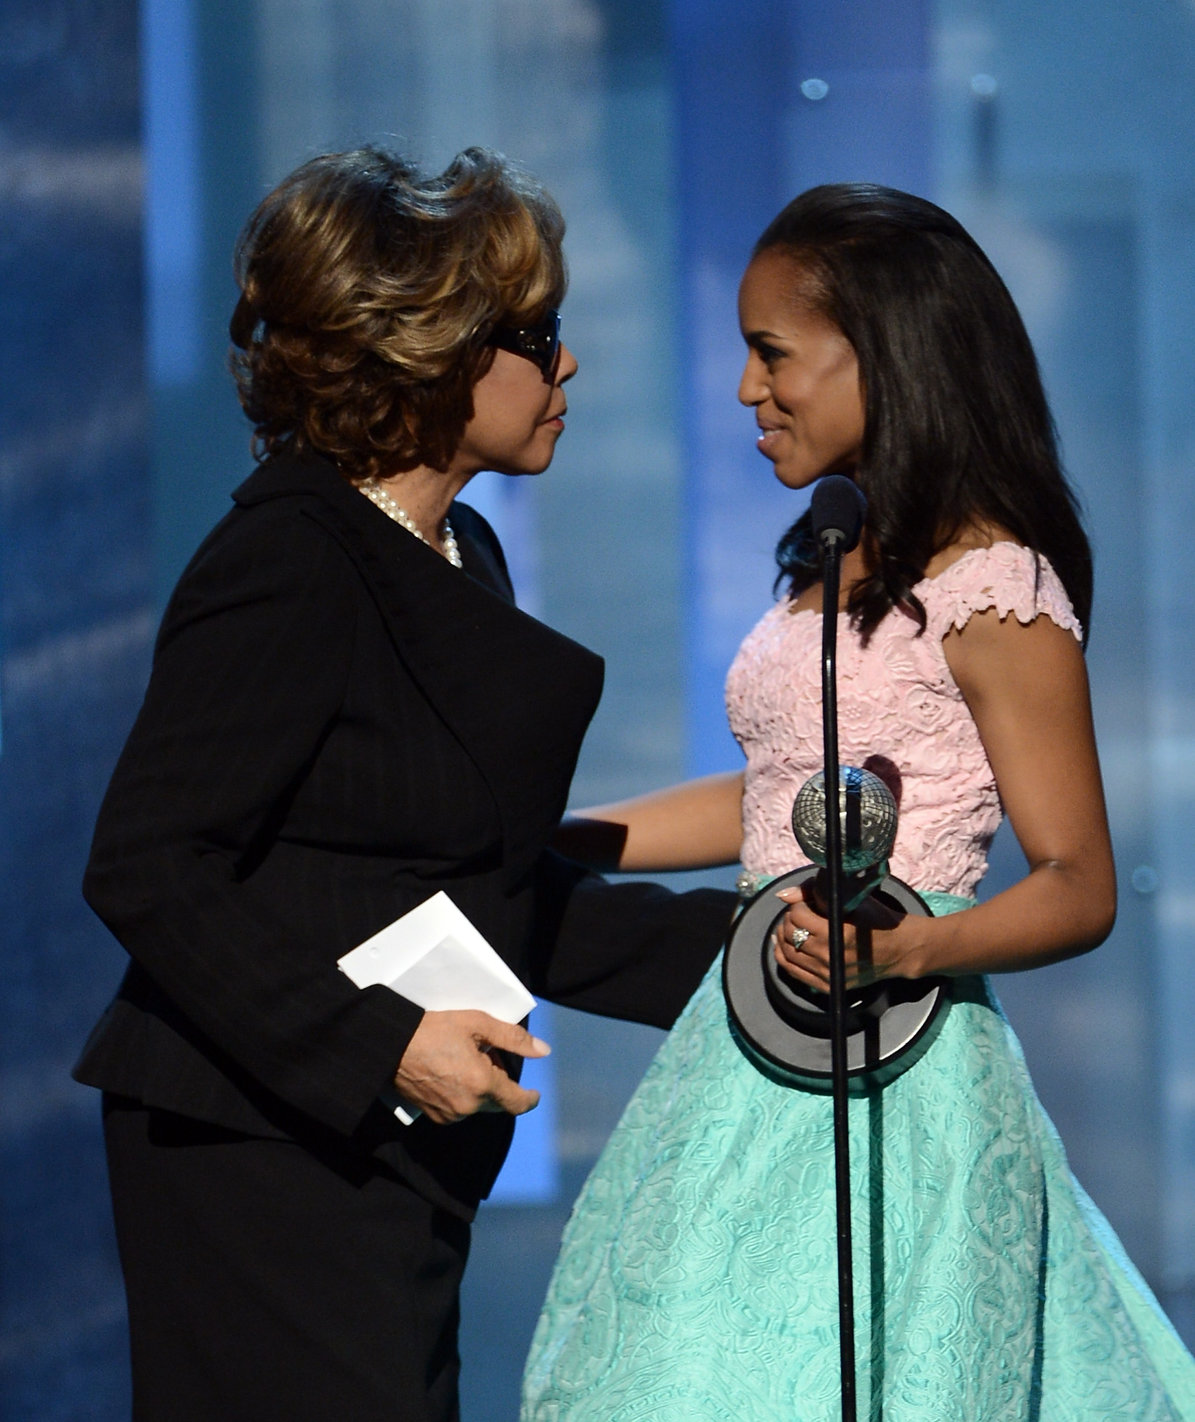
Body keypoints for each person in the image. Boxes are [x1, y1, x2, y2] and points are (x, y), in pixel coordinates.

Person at [72, 146, 733, 1422]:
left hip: (381, 1147)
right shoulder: (289, 559)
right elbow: (148, 863)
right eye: (537, 335)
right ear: (426, 354)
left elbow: (468, 888)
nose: (569, 365)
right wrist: (383, 1047)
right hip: (256, 1142)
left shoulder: (453, 551)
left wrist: (747, 961)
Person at [522, 184, 1195, 1418]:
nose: (745, 390)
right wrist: (568, 838)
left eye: (771, 354)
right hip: (748, 1046)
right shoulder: (837, 558)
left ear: (881, 353)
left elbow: (1077, 884)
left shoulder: (998, 589)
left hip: (902, 1071)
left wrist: (915, 946)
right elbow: (777, 802)